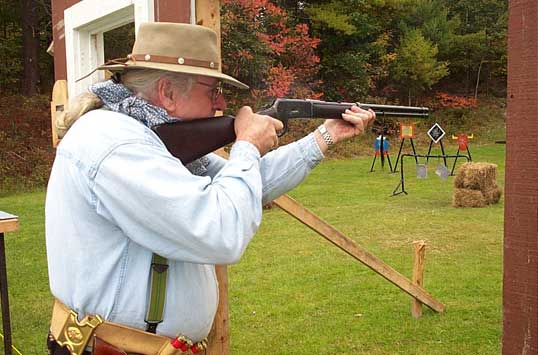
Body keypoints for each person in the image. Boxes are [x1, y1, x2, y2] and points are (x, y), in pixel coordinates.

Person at [45, 22, 374, 355]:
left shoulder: (150, 137)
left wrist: (325, 136)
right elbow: (220, 230)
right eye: (212, 90)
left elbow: (249, 184)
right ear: (168, 92)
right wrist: (247, 144)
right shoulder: (115, 141)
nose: (220, 103)